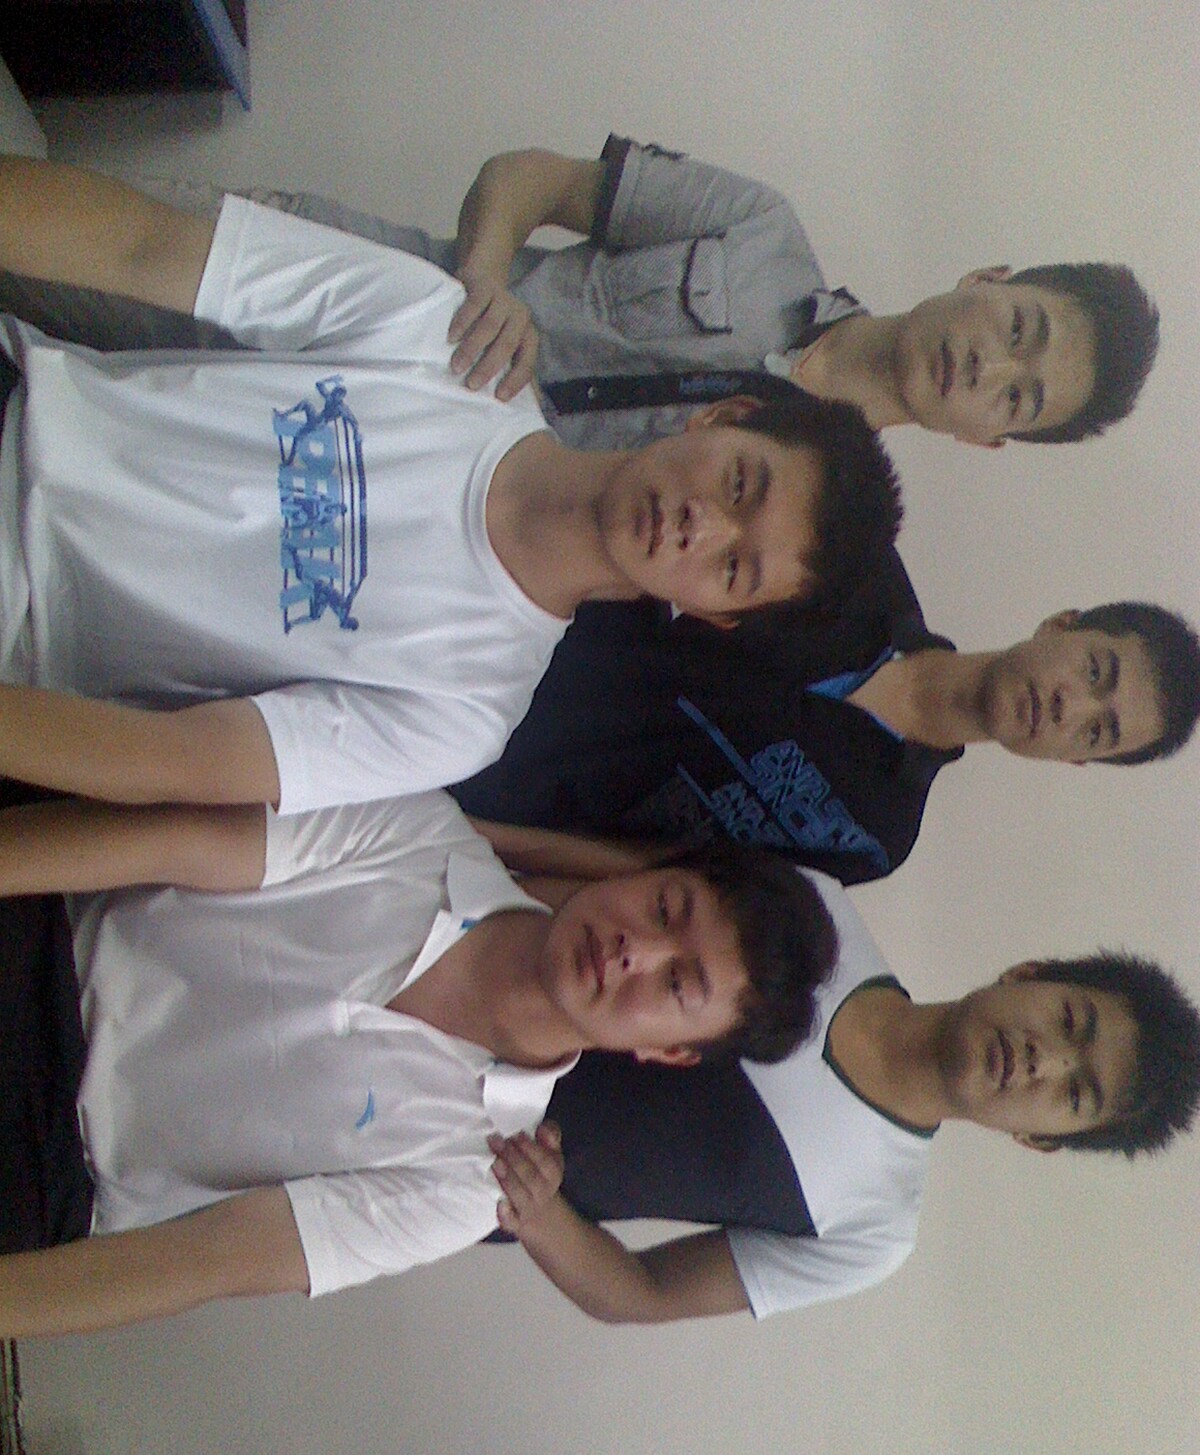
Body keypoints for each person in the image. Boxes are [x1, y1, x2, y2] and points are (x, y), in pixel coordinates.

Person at [0, 156, 902, 818]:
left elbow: (175, 760)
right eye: (741, 485)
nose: (701, 527)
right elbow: (141, 245)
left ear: (713, 614)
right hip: (19, 403)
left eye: (735, 568)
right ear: (723, 416)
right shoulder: (441, 333)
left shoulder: (467, 714)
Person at [0, 784, 837, 1336]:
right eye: (665, 908)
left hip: (50, 1169)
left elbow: (202, 1261)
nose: (634, 951)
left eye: (677, 983)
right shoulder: (419, 833)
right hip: (43, 948)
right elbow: (165, 843)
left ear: (667, 1050)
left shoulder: (467, 1183)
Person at [0, 137, 1159, 449]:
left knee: (42, 436)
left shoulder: (798, 507)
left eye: (1018, 396)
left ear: (987, 439)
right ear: (988, 279)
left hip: (352, 464)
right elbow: (533, 179)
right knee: (51, 265)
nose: (990, 366)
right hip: (342, 288)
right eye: (1020, 329)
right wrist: (485, 274)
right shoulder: (763, 231)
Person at [486, 887, 1200, 1324]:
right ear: (1028, 974)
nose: (1047, 1060)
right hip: (464, 989)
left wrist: (541, 1213)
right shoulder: (817, 917)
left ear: (1040, 1140)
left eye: (1075, 1095)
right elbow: (597, 889)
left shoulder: (875, 1228)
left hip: (458, 1169)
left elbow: (642, 1294)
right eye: (1070, 1022)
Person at [454, 586, 1200, 883]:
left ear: (1073, 761)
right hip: (480, 643)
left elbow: (657, 875)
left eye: (1097, 731)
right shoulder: (855, 568)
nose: (1070, 707)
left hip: (475, 809)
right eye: (1095, 671)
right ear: (1062, 624)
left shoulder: (876, 838)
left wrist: (478, 842)